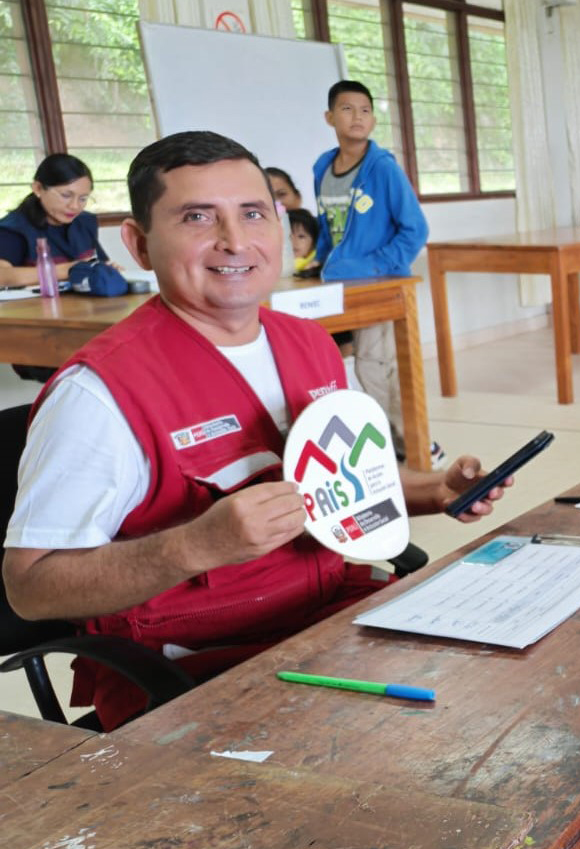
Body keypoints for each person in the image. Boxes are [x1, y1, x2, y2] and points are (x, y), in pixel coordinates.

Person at [1, 131, 514, 731]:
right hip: (202, 678)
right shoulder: (98, 395)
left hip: (339, 625)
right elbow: (30, 589)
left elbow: (341, 486)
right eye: (197, 217)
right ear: (139, 245)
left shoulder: (309, 343)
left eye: (253, 212)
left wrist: (433, 491)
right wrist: (193, 546)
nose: (235, 241)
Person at [310, 80, 434, 465]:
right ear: (330, 117)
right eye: (347, 109)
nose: (357, 117)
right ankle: (398, 441)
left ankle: (416, 445)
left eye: (365, 110)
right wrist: (322, 262)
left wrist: (375, 266)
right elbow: (328, 224)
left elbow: (416, 229)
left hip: (381, 283)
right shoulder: (322, 167)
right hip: (338, 284)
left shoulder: (382, 169)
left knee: (376, 365)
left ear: (374, 120)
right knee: (360, 364)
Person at [0, 154, 113, 287]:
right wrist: (69, 270)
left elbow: (99, 264)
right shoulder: (13, 229)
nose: (75, 206)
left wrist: (108, 270)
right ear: (38, 188)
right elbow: (3, 276)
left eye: (83, 198)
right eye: (66, 195)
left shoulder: (85, 221)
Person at [287, 207, 320, 274]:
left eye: (301, 236)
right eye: (288, 236)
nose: (293, 241)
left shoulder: (319, 262)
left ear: (313, 242)